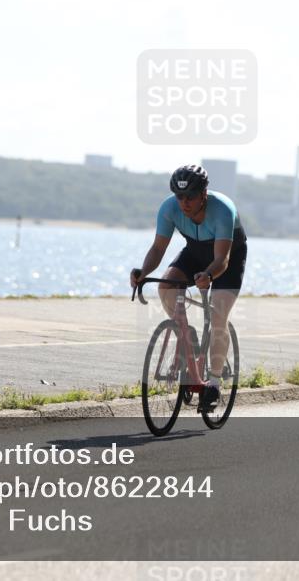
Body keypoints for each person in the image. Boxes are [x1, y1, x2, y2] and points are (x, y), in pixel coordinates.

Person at [130, 164, 248, 412]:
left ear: (203, 194)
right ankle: (186, 335)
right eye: (179, 196)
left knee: (218, 316)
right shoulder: (169, 208)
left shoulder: (222, 210)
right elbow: (158, 249)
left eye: (190, 196)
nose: (184, 202)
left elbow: (222, 259)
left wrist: (209, 275)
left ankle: (213, 384)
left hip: (227, 256)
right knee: (166, 285)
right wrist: (143, 272)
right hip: (195, 251)